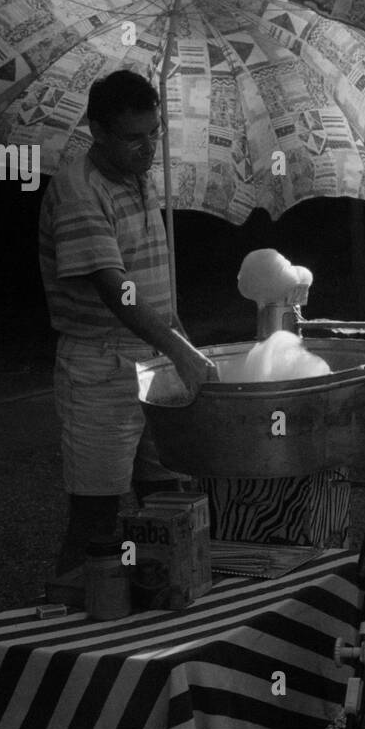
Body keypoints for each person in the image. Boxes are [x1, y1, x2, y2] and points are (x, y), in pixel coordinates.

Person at [39, 70, 218, 575]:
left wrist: (180, 339)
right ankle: (71, 625)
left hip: (154, 356)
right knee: (96, 514)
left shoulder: (140, 179)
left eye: (154, 134)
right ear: (97, 130)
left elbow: (151, 278)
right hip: (100, 364)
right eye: (133, 137)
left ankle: (165, 602)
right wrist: (182, 351)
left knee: (169, 498)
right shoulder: (79, 188)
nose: (147, 148)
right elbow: (114, 289)